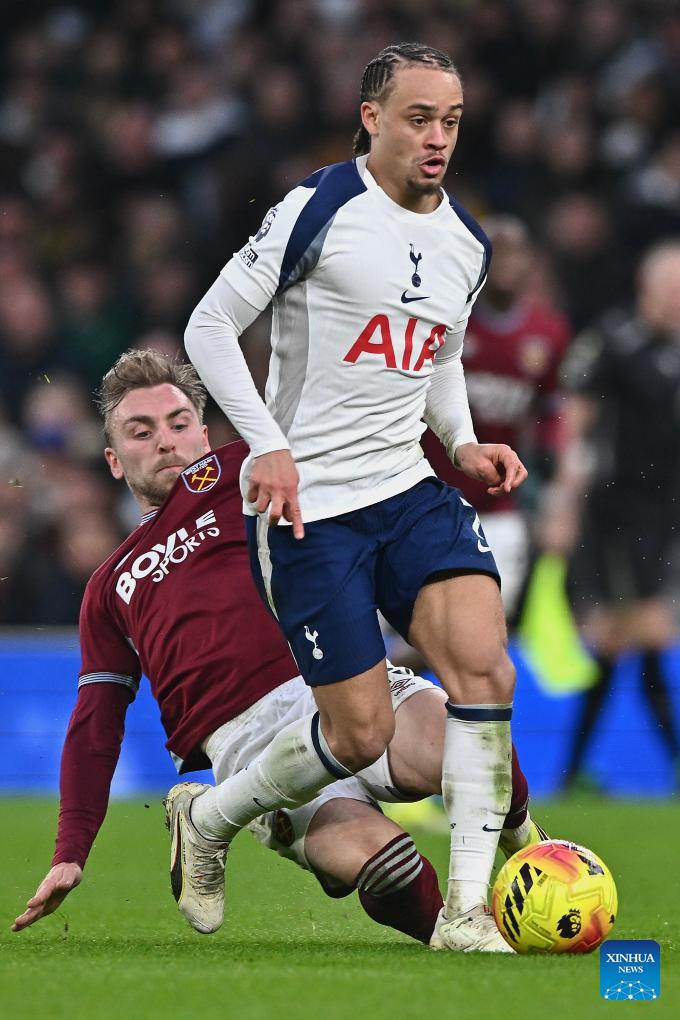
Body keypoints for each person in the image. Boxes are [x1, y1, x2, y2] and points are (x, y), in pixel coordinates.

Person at [12, 350, 545, 943]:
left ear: (205, 433)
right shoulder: (110, 585)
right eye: (142, 432)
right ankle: (468, 939)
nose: (165, 441)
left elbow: (364, 450)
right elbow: (96, 720)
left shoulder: (252, 470)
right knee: (389, 867)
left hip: (346, 677)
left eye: (179, 423)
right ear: (113, 460)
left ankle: (542, 863)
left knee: (476, 743)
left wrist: (459, 444)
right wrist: (70, 851)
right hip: (250, 742)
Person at [184, 43, 528, 952]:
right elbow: (210, 325)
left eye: (451, 121)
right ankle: (212, 818)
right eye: (419, 118)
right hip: (311, 509)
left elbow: (441, 354)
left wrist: (461, 441)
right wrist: (270, 445)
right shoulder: (321, 206)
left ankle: (465, 913)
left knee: (486, 674)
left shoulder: (467, 244)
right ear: (371, 118)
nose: (438, 138)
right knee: (362, 734)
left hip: (408, 490)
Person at [543, 241, 680, 789]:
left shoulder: (674, 349)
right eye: (672, 289)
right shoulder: (614, 342)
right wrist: (564, 498)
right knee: (635, 635)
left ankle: (574, 772)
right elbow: (573, 417)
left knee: (628, 645)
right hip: (617, 514)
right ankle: (583, 771)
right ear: (648, 288)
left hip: (666, 513)